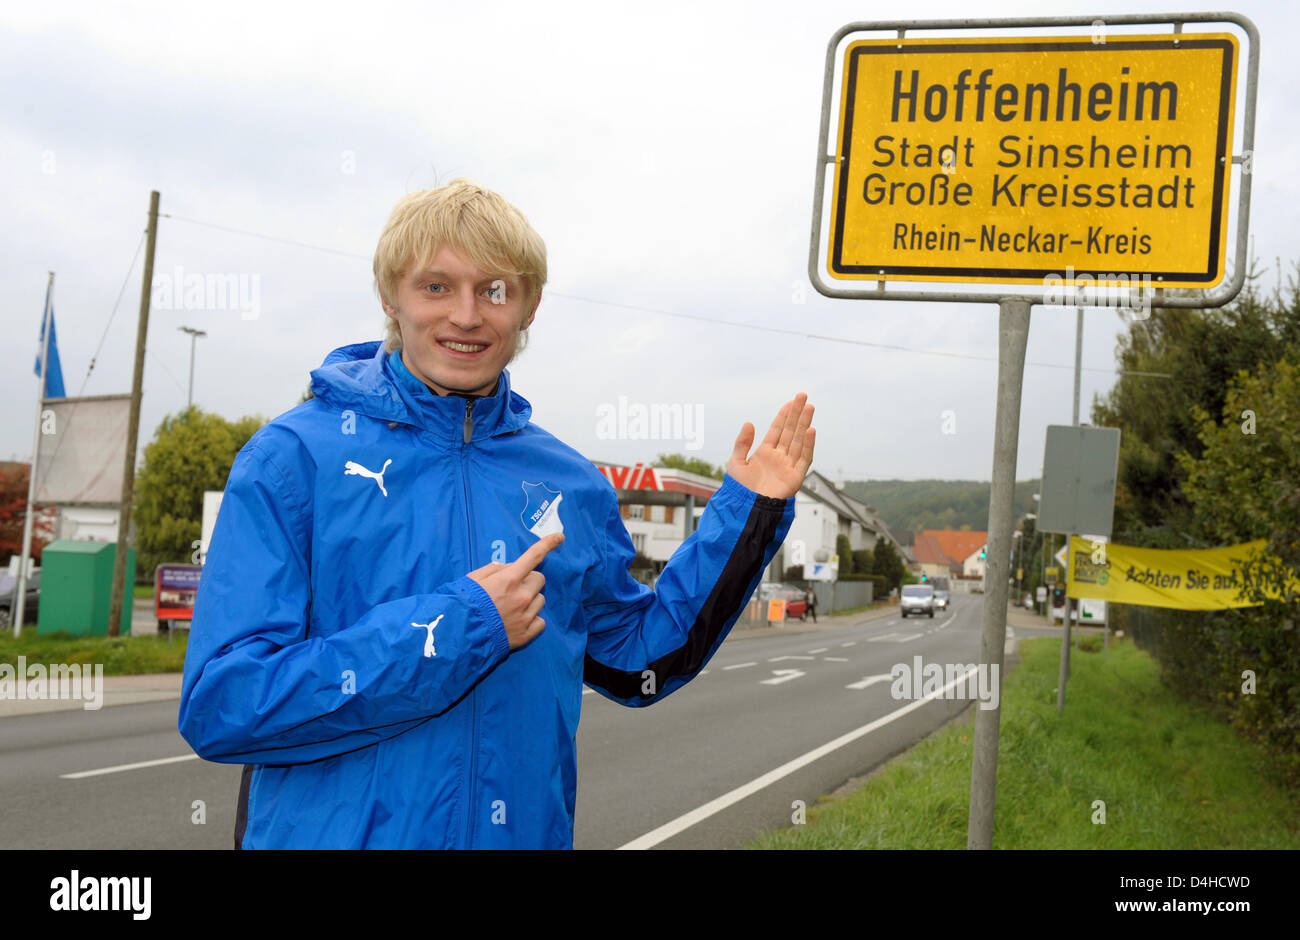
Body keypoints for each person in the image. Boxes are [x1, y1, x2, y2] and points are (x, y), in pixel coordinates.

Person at [177, 179, 817, 849]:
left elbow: (637, 662)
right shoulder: (294, 459)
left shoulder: (570, 482)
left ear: (529, 306)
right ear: (390, 297)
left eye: (494, 290)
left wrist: (746, 513)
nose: (466, 315)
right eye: (436, 287)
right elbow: (224, 704)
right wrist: (463, 627)